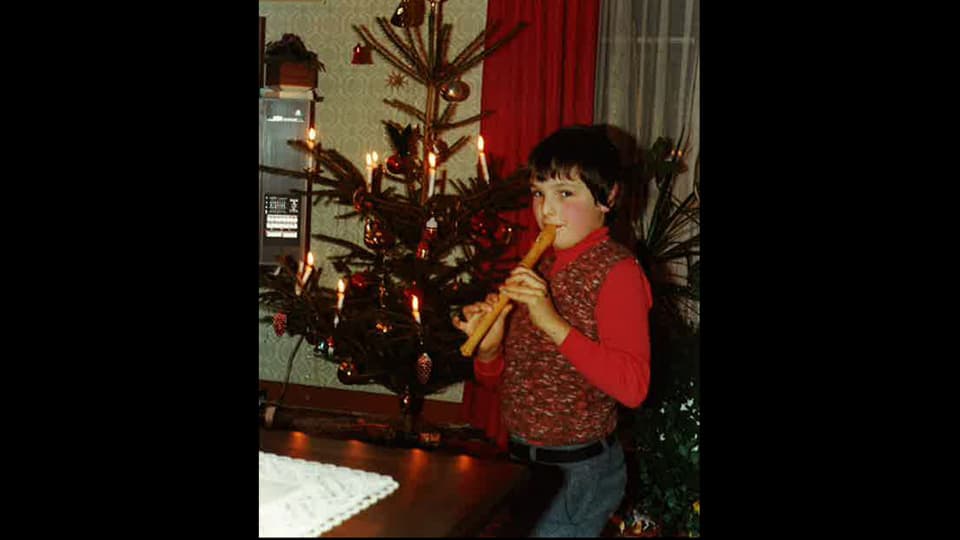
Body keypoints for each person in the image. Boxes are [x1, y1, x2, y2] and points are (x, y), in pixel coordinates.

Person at [453, 125, 653, 537]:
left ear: (609, 197)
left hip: (579, 471)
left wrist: (552, 322)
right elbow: (508, 383)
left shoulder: (618, 272)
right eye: (538, 192)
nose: (546, 210)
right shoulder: (540, 266)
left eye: (565, 193)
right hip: (523, 461)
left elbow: (634, 386)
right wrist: (490, 350)